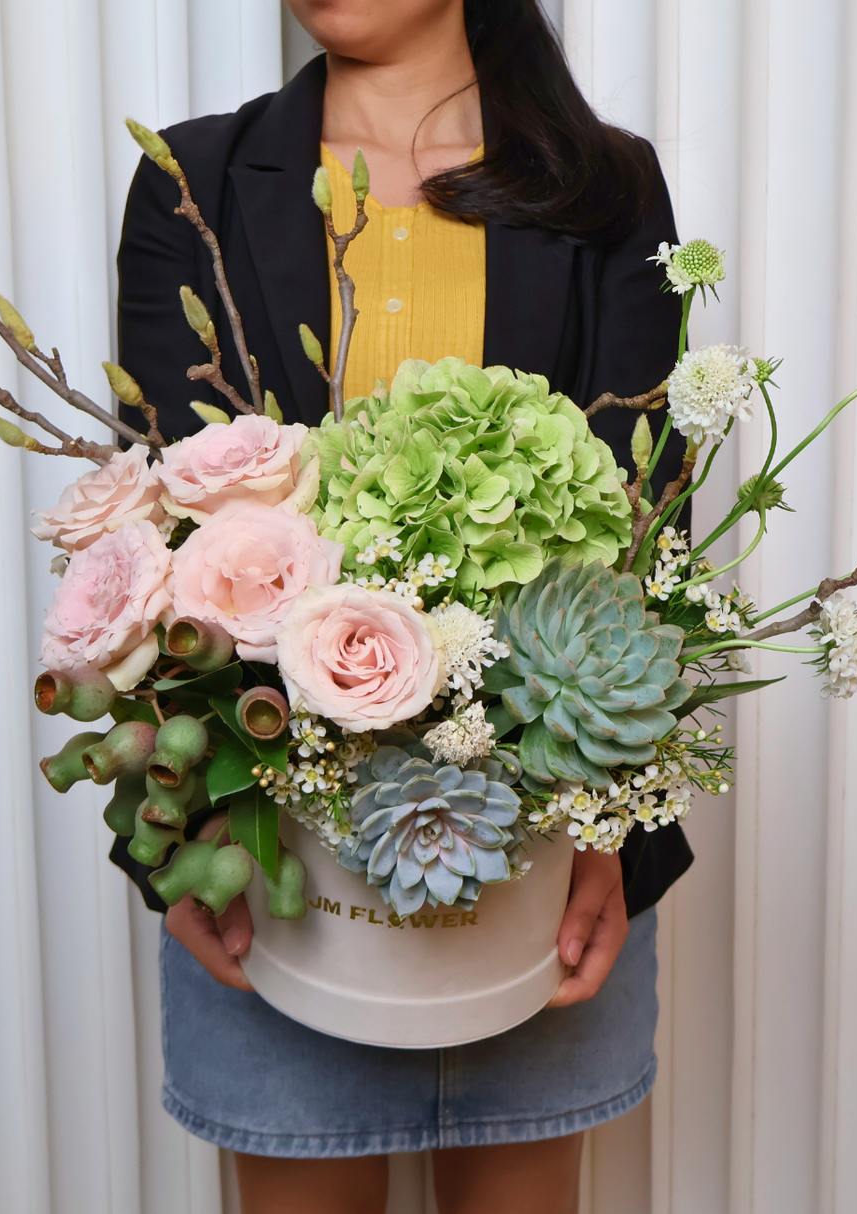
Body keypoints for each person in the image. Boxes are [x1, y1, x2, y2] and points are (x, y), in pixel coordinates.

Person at [114, 2, 691, 1210]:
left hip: (538, 859)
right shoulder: (194, 181)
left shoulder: (604, 189)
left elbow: (646, 528)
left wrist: (607, 832)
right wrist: (185, 836)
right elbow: (160, 531)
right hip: (277, 870)